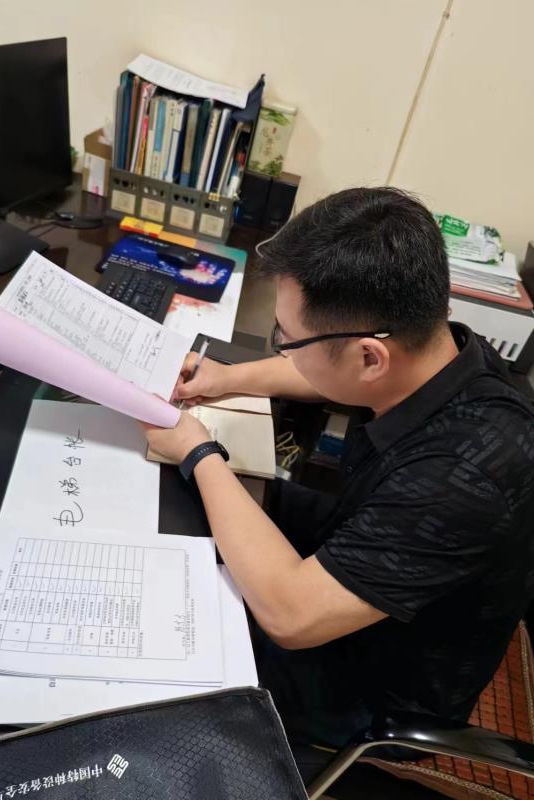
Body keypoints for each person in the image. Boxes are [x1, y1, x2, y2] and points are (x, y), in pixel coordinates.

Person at [140, 187, 534, 769]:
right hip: (370, 540)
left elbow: (291, 617)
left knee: (154, 657)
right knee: (195, 505)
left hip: (370, 684)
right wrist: (227, 378)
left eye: (287, 338)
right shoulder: (444, 352)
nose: (283, 349)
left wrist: (200, 450)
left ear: (370, 356)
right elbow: (333, 369)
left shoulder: (464, 477)